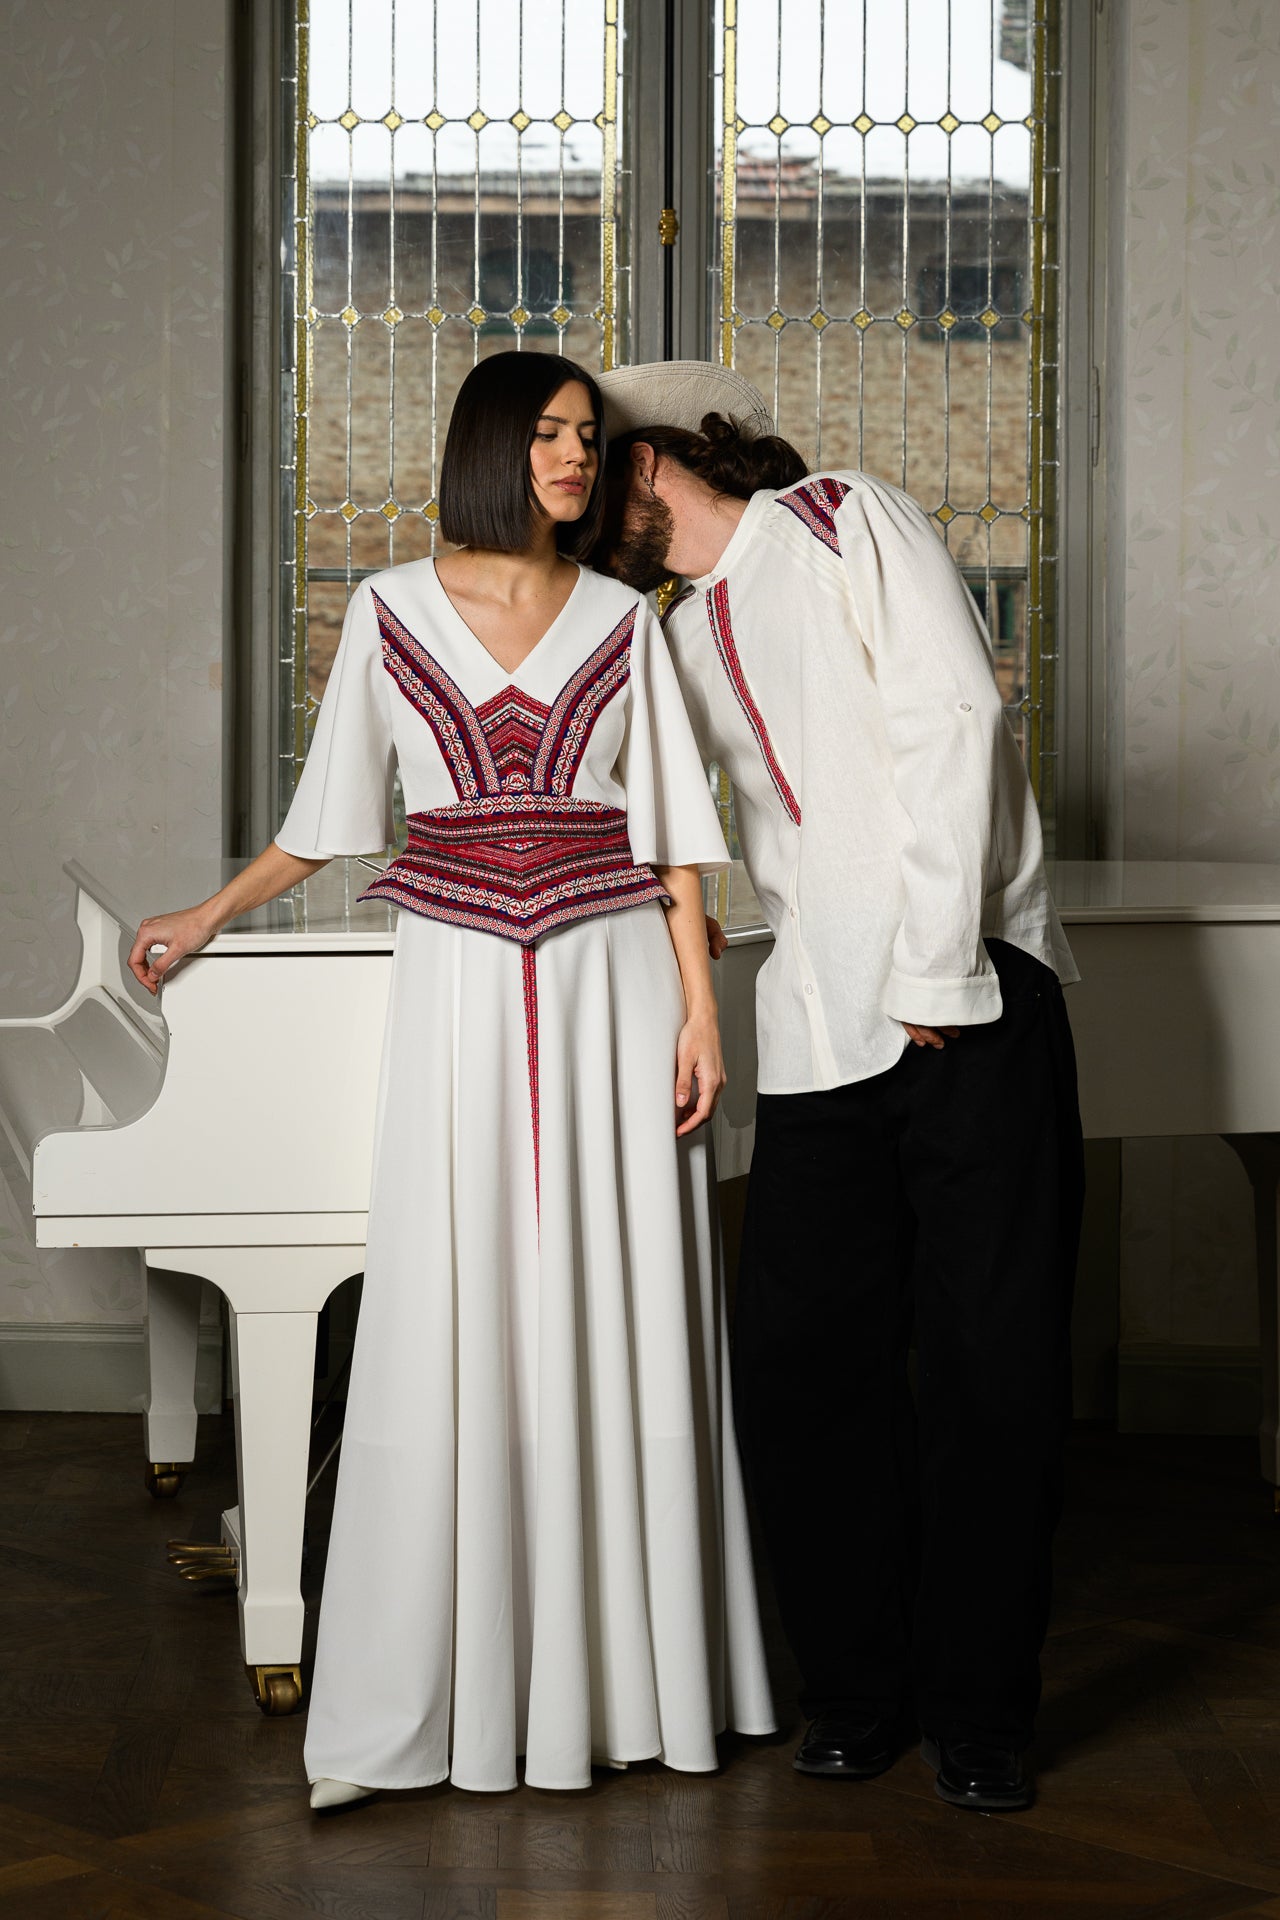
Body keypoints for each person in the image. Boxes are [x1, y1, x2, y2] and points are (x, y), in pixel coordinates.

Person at [127, 351, 774, 1804]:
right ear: (488, 444)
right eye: (546, 433)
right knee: (452, 1299)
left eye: (587, 436)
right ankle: (441, 1686)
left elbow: (674, 837)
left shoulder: (623, 616)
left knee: (619, 1296)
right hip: (460, 988)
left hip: (616, 983)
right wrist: (209, 913)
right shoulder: (388, 611)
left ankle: (631, 1689)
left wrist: (700, 1010)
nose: (573, 457)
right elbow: (327, 818)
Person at [592, 360, 1084, 1814]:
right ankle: (857, 1695)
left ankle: (981, 1717)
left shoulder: (840, 517)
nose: (581, 522)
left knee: (991, 1373)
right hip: (818, 1035)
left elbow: (955, 721)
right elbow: (658, 830)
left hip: (970, 999)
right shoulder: (673, 638)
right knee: (803, 1370)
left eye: (591, 480)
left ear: (649, 462)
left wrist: (931, 971)